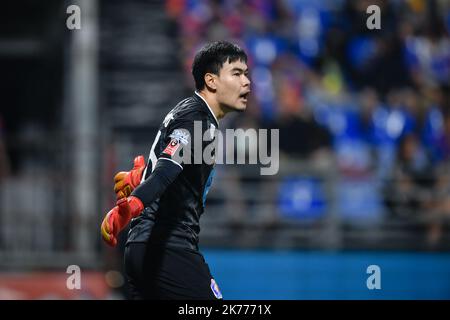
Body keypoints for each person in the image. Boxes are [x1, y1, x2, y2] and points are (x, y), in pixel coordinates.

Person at [100, 41, 251, 299]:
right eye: (236, 73)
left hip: (142, 248)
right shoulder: (197, 120)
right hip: (166, 248)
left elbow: (169, 163)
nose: (246, 81)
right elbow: (166, 171)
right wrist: (133, 203)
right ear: (211, 81)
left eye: (246, 73)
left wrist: (139, 177)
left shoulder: (189, 112)